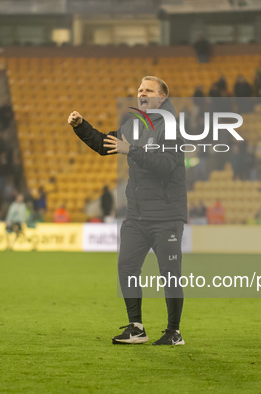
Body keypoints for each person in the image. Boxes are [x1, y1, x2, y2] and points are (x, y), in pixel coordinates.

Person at [68, 76, 187, 346]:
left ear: (162, 98)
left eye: (149, 90)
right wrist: (81, 126)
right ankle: (136, 328)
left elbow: (167, 164)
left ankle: (174, 332)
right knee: (127, 266)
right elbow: (104, 145)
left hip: (166, 215)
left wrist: (131, 149)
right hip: (137, 215)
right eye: (139, 90)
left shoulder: (171, 126)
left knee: (169, 273)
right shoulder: (134, 125)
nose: (142, 94)